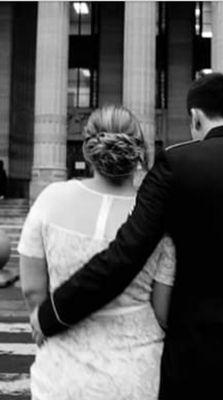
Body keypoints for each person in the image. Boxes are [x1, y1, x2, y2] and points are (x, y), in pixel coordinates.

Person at [31, 73, 223, 400]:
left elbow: (125, 255)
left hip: (200, 356)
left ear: (195, 117)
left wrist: (53, 313)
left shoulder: (176, 164)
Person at [19, 105, 176, 399]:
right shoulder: (155, 217)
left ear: (87, 148)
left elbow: (32, 290)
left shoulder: (52, 198)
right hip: (135, 371)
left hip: (63, 371)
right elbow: (163, 308)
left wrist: (45, 321)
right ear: (141, 151)